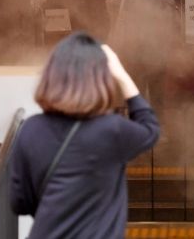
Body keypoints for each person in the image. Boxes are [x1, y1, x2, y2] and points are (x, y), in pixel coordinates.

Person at [9, 32, 160, 238]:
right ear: (102, 80)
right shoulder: (111, 130)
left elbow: (20, 203)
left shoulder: (30, 129)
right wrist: (122, 75)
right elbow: (150, 129)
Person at [108, 0, 180, 108]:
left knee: (136, 100)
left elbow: (123, 26)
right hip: (159, 55)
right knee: (158, 100)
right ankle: (157, 130)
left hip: (135, 55)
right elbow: (174, 27)